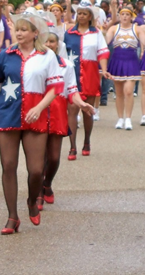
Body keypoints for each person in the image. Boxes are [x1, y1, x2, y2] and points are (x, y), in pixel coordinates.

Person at [0, 13, 64, 235]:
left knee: (35, 170)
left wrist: (40, 107)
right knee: (9, 165)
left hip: (36, 115)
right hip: (7, 113)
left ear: (35, 33)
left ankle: (33, 200)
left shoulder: (47, 56)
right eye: (18, 29)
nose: (20, 33)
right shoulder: (6, 55)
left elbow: (55, 87)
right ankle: (12, 217)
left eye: (25, 29)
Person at [38, 31, 94, 209]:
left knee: (53, 158)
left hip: (57, 114)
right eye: (45, 41)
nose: (48, 44)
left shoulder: (67, 65)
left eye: (52, 41)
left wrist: (81, 104)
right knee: (39, 158)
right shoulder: (33, 63)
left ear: (58, 44)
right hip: (37, 114)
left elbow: (72, 91)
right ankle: (38, 192)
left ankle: (47, 184)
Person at [64, 0, 110, 160]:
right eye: (79, 13)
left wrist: (104, 70)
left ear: (90, 16)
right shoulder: (69, 33)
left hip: (90, 74)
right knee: (72, 110)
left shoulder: (96, 33)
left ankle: (87, 141)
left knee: (88, 111)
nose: (81, 16)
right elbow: (62, 54)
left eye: (84, 13)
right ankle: (72, 146)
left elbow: (103, 52)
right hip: (72, 75)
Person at [105, 8, 145, 130]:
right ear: (119, 16)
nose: (124, 17)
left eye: (127, 15)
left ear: (131, 16)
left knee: (129, 91)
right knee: (118, 93)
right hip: (117, 61)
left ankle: (128, 119)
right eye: (122, 14)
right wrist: (104, 29)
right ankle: (120, 118)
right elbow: (105, 42)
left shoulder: (137, 29)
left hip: (131, 62)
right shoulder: (114, 28)